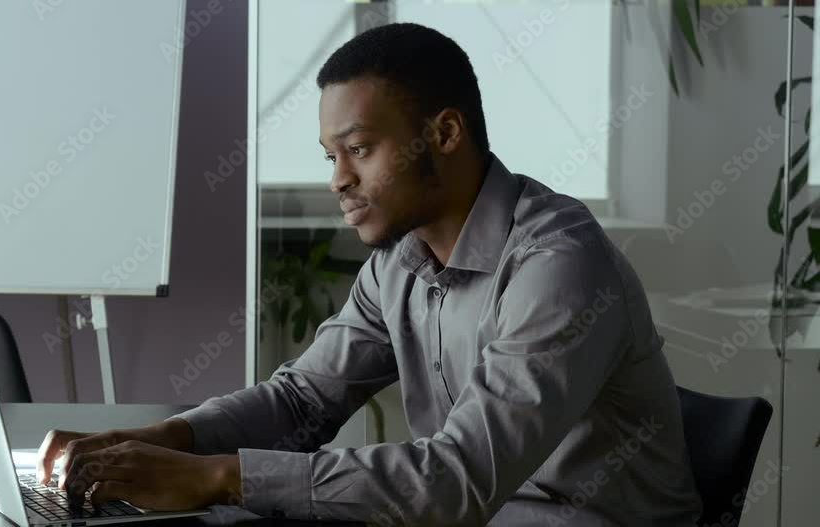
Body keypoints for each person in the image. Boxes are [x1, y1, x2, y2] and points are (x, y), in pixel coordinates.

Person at [35, 22, 702, 526]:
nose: (339, 180)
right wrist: (157, 441)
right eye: (331, 156)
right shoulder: (399, 262)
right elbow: (302, 401)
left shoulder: (558, 265)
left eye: (358, 149)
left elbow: (457, 480)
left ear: (445, 133)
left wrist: (217, 476)